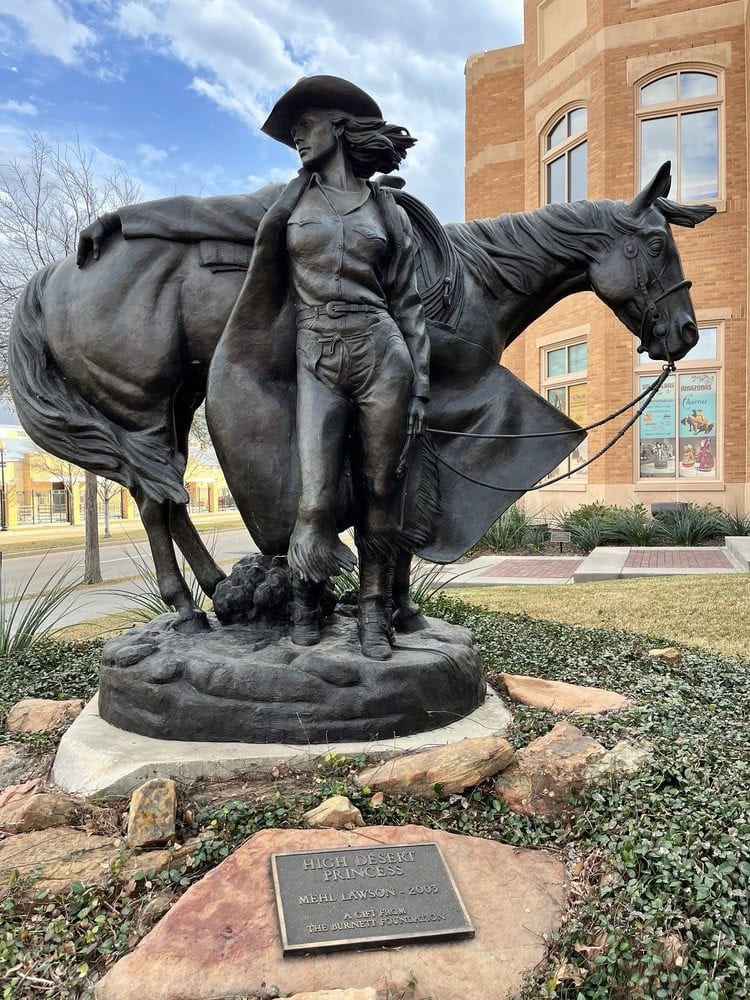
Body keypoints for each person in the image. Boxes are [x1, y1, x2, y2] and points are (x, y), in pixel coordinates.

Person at [260, 76, 430, 660]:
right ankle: (308, 602)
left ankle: (373, 613)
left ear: (337, 125)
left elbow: (407, 301)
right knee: (316, 494)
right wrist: (123, 221)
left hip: (383, 354)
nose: (297, 140)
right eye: (292, 134)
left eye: (304, 127)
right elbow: (205, 213)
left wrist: (422, 384)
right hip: (317, 353)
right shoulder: (288, 201)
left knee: (384, 487)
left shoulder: (386, 208)